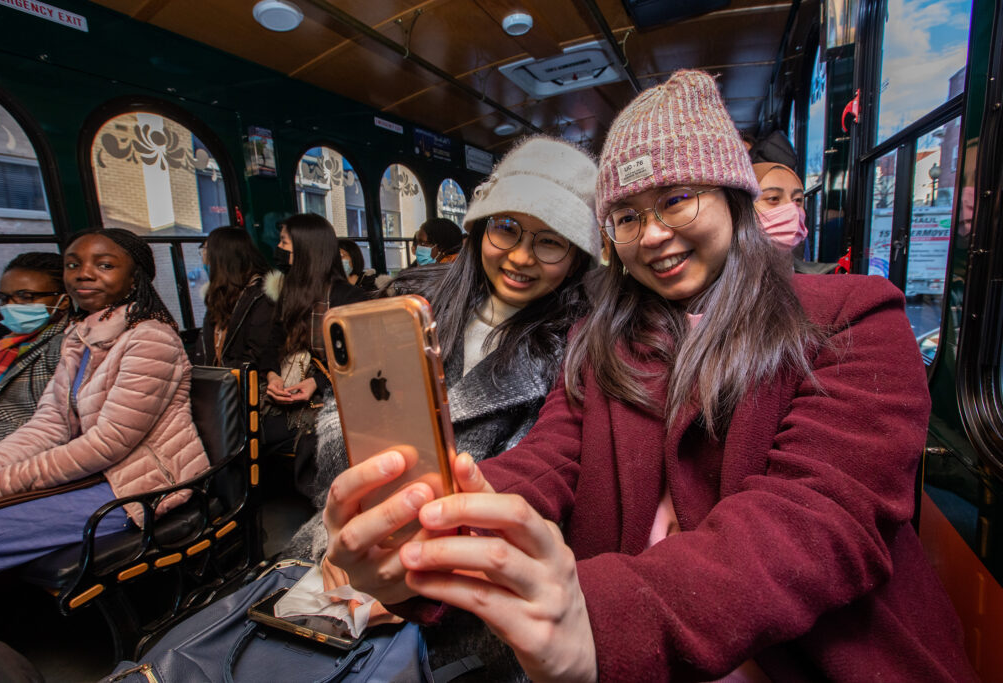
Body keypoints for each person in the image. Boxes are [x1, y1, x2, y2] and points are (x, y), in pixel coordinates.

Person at [320, 71, 977, 682]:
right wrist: (436, 526)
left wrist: (599, 620)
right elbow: (551, 460)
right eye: (629, 216)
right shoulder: (602, 341)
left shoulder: (854, 318)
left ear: (734, 197)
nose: (654, 234)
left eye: (677, 200)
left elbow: (812, 522)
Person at [292, 135, 599, 680]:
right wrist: (347, 538)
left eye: (551, 241)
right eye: (506, 227)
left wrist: (407, 570)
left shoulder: (576, 347)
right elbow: (336, 420)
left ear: (577, 256)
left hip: (462, 585)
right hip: (353, 533)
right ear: (480, 227)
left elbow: (528, 486)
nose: (522, 256)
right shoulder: (415, 300)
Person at [0, 228, 209, 579]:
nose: (83, 273)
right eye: (73, 264)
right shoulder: (79, 337)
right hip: (93, 473)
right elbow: (47, 425)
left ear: (135, 278)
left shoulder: (151, 338)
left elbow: (108, 443)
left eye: (104, 265)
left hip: (138, 484)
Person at [260, 214, 368, 471]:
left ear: (306, 249)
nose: (279, 249)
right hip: (291, 385)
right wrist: (273, 377)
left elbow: (362, 359)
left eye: (285, 243)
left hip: (333, 393)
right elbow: (272, 345)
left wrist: (317, 383)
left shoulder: (348, 297)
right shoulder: (290, 293)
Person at [0, 253, 70, 451]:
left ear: (63, 300)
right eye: (4, 298)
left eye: (25, 297)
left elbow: (55, 428)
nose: (10, 306)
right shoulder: (10, 343)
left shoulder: (64, 346)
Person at [193, 226, 275, 367]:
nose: (204, 258)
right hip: (217, 381)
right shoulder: (218, 295)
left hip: (241, 382)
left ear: (222, 257)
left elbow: (257, 354)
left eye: (206, 250)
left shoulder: (260, 296)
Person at [753, 162, 838, 274]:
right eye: (773, 198)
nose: (792, 209)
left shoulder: (821, 283)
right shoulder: (727, 284)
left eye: (797, 200)